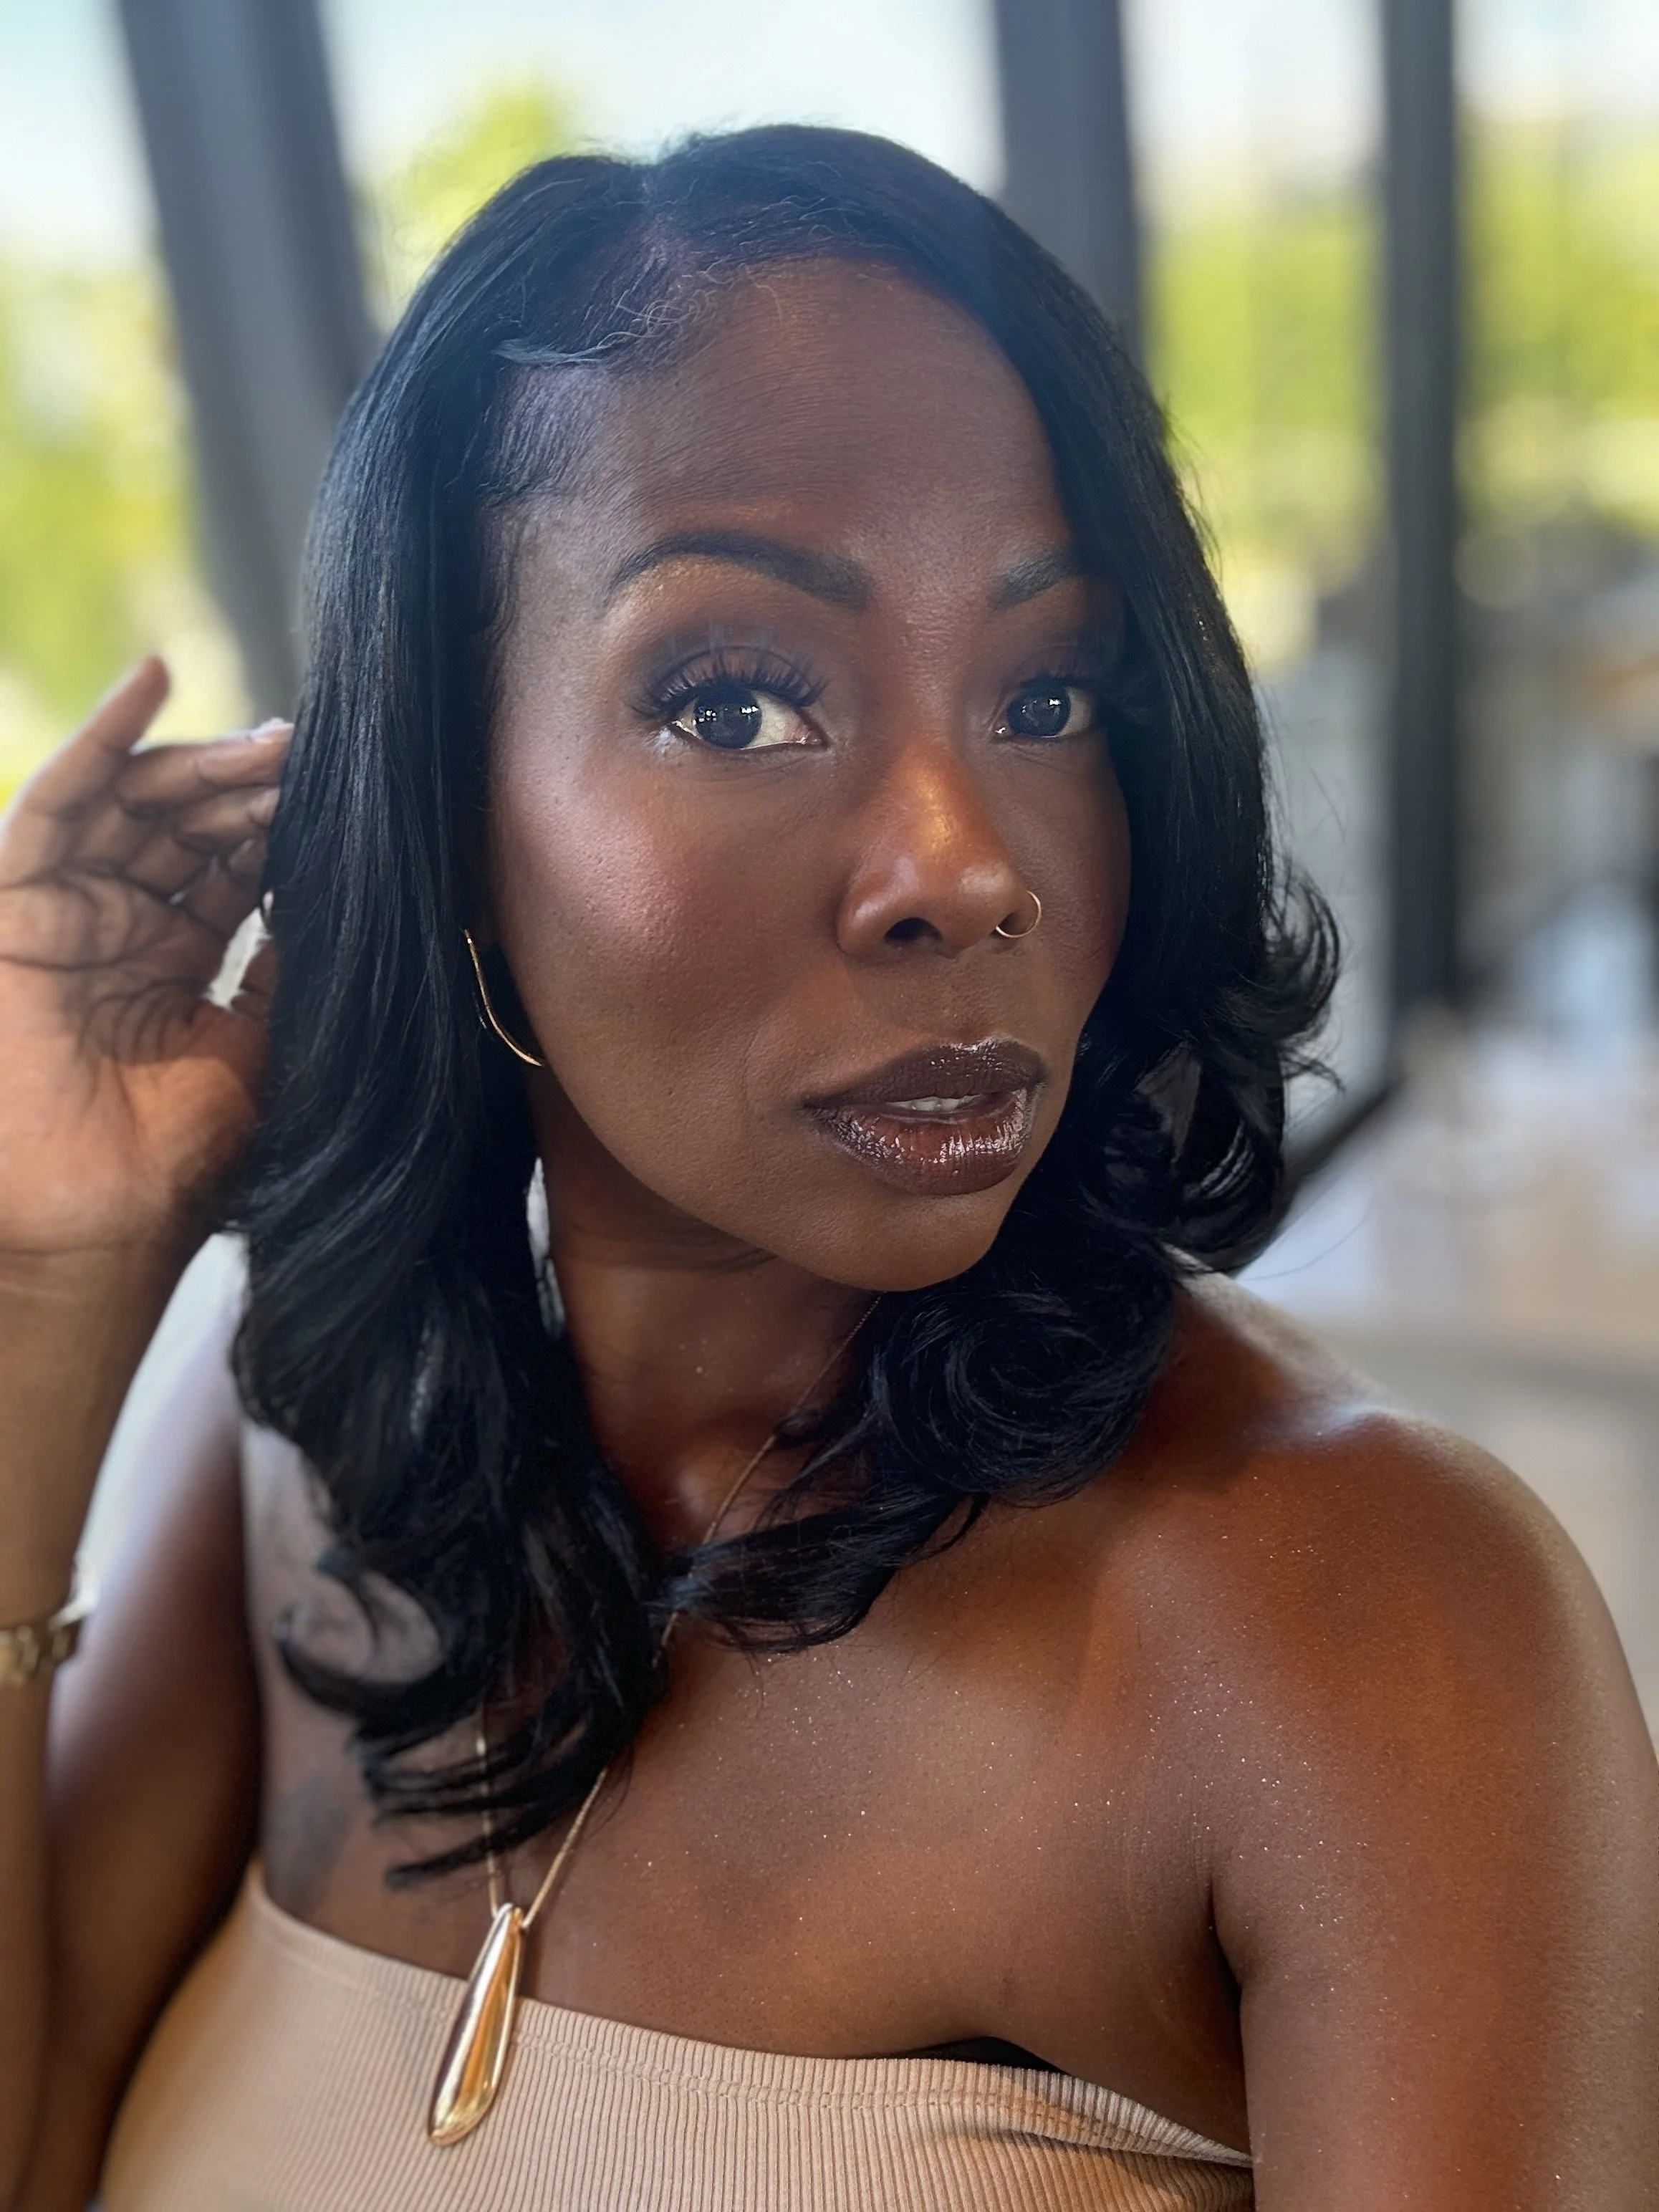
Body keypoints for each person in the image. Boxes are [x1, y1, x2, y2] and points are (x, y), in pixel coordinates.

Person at [0, 127, 1654, 2212]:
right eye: (736, 705)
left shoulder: (1363, 1629)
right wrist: (45, 1289)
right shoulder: (304, 1456)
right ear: (442, 815)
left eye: (1046, 695)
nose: (966, 866)